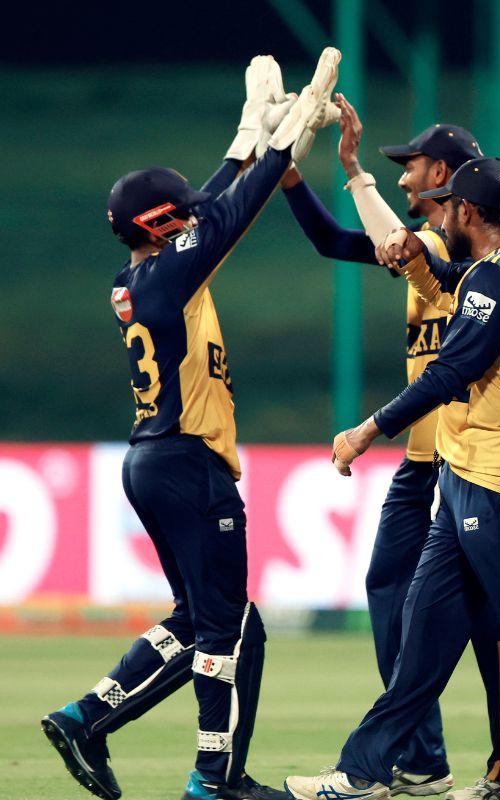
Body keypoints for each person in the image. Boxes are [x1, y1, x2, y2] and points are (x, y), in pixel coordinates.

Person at [40, 50, 341, 800]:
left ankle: (86, 716)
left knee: (209, 619)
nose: (191, 211)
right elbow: (230, 213)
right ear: (161, 223)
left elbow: (206, 204)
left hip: (154, 460)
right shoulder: (175, 273)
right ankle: (214, 778)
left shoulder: (140, 275)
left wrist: (248, 131)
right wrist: (288, 135)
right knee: (226, 630)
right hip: (188, 463)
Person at [283, 157, 500, 800]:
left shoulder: (495, 282)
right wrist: (397, 237)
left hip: (491, 470)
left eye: (449, 206)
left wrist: (366, 429)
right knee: (425, 637)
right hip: (469, 469)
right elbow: (444, 275)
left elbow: (447, 373)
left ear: (469, 213)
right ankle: (364, 771)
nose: (441, 214)